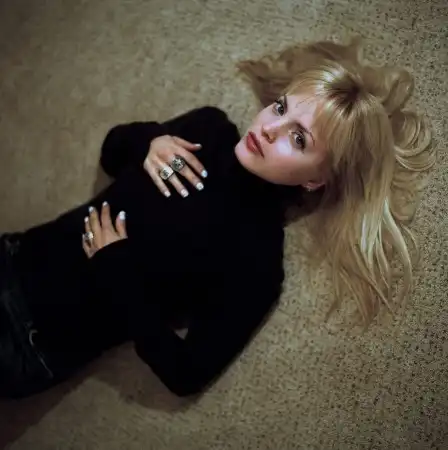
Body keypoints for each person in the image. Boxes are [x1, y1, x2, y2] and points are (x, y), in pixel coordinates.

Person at [0, 38, 434, 399]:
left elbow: (186, 373)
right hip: (15, 251)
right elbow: (111, 153)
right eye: (280, 108)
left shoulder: (258, 263)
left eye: (299, 139)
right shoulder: (208, 129)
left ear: (315, 180)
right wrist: (148, 140)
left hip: (29, 339)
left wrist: (118, 276)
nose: (269, 128)